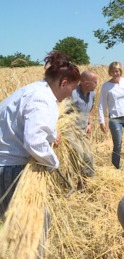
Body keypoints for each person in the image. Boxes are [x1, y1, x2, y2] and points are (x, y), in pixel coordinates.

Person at [0, 50, 81, 215]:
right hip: (12, 170)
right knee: (31, 232)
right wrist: (53, 162)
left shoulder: (31, 90)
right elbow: (34, 141)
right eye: (73, 89)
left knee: (14, 226)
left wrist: (51, 135)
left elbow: (27, 123)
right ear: (64, 83)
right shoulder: (43, 99)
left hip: (5, 165)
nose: (71, 94)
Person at [69, 70, 98, 179]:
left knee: (89, 156)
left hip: (83, 130)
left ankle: (88, 181)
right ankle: (73, 179)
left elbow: (91, 108)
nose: (97, 84)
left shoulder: (92, 94)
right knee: (78, 153)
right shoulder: (72, 93)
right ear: (86, 83)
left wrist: (89, 123)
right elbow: (61, 111)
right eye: (95, 82)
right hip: (70, 130)